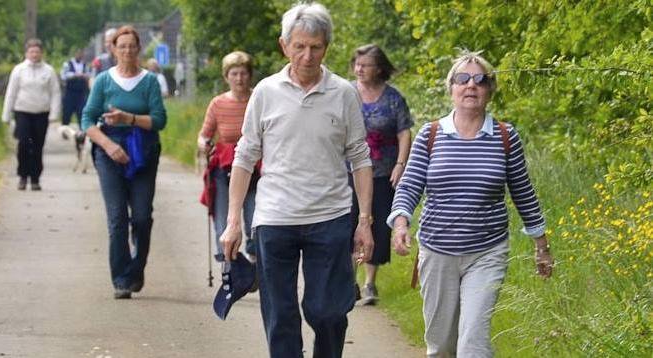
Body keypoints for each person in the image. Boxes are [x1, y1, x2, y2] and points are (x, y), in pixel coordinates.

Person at [218, 3, 374, 356]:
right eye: (299, 46)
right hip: (275, 217)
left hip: (330, 217)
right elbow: (245, 156)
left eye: (316, 47)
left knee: (329, 311)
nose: (307, 55)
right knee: (280, 315)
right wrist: (232, 221)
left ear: (327, 48)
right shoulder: (265, 92)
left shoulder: (344, 93)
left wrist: (364, 221)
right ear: (284, 45)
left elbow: (360, 157)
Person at [387, 51, 554, 357]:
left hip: (487, 252)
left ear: (490, 89)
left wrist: (541, 245)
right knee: (441, 347)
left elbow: (523, 193)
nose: (471, 86)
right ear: (451, 87)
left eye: (480, 80)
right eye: (463, 79)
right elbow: (410, 184)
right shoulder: (431, 134)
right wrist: (400, 222)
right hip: (437, 251)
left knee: (472, 345)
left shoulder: (505, 137)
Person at [82, 25, 167, 300]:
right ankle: (121, 279)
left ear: (138, 49)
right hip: (110, 151)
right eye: (122, 46)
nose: (127, 51)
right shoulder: (103, 81)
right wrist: (107, 145)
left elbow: (159, 120)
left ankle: (136, 269)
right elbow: (86, 119)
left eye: (132, 46)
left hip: (143, 150)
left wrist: (128, 118)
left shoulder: (150, 81)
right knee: (118, 218)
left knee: (141, 217)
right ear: (113, 50)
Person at [347, 44, 413, 305]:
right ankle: (348, 282)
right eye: (357, 64)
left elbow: (404, 131)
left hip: (384, 172)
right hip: (349, 172)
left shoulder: (393, 98)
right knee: (348, 224)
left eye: (366, 65)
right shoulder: (346, 93)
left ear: (379, 68)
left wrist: (400, 164)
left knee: (377, 227)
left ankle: (369, 283)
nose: (359, 69)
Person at [197, 51, 258, 263]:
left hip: (256, 169)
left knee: (256, 220)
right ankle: (229, 270)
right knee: (223, 222)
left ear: (250, 75)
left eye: (243, 73)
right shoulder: (218, 103)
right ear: (226, 77)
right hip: (224, 169)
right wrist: (204, 145)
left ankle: (254, 264)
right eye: (234, 74)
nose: (239, 78)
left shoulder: (258, 99)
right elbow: (204, 134)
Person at [1, 38, 61, 191]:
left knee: (37, 146)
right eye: (31, 51)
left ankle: (35, 178)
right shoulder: (19, 70)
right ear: (26, 53)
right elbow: (11, 93)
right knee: (24, 144)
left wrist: (54, 114)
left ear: (41, 53)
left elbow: (55, 93)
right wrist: (6, 115)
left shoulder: (48, 71)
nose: (34, 54)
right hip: (22, 111)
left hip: (41, 113)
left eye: (37, 52)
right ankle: (22, 176)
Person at [61, 49, 92, 128]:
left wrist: (84, 76)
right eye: (78, 53)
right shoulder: (67, 64)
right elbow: (63, 76)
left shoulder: (86, 65)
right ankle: (64, 130)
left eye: (81, 53)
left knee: (81, 113)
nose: (79, 55)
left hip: (81, 93)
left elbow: (89, 75)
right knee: (66, 113)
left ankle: (82, 133)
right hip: (70, 92)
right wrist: (74, 75)